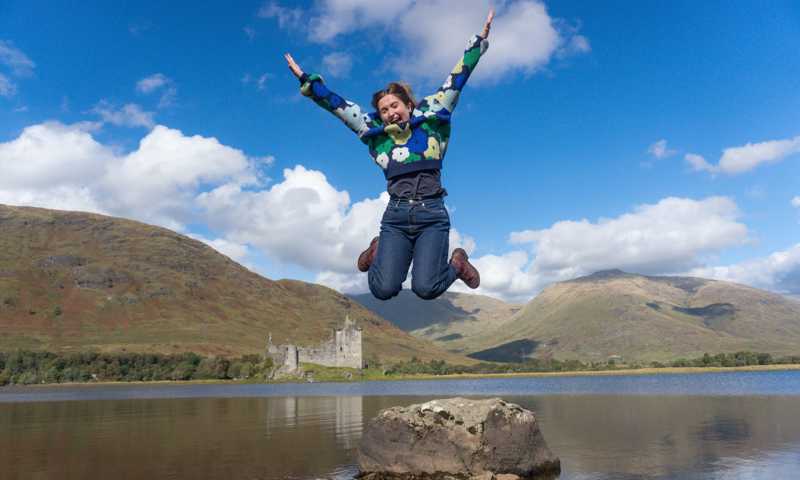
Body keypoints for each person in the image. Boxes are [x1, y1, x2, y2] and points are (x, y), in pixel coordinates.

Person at [285, 9, 494, 301]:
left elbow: (456, 79)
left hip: (431, 215)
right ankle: (377, 250)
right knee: (382, 289)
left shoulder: (433, 118)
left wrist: (478, 42)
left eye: (395, 105)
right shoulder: (375, 133)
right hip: (395, 217)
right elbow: (338, 106)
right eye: (384, 110)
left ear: (409, 105)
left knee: (426, 288)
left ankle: (457, 264)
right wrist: (307, 81)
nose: (390, 112)